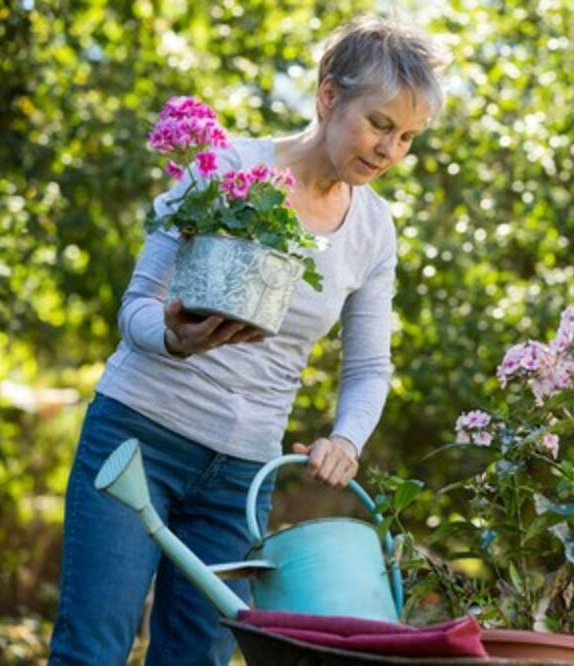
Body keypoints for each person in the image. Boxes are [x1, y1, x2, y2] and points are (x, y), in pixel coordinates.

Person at [47, 16, 449, 666]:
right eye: (379, 124)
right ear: (328, 96)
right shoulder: (228, 169)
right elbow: (137, 307)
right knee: (92, 650)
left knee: (195, 660)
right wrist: (174, 338)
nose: (388, 150)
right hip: (139, 440)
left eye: (406, 137)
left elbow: (370, 366)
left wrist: (346, 440)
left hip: (241, 477)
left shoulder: (375, 230)